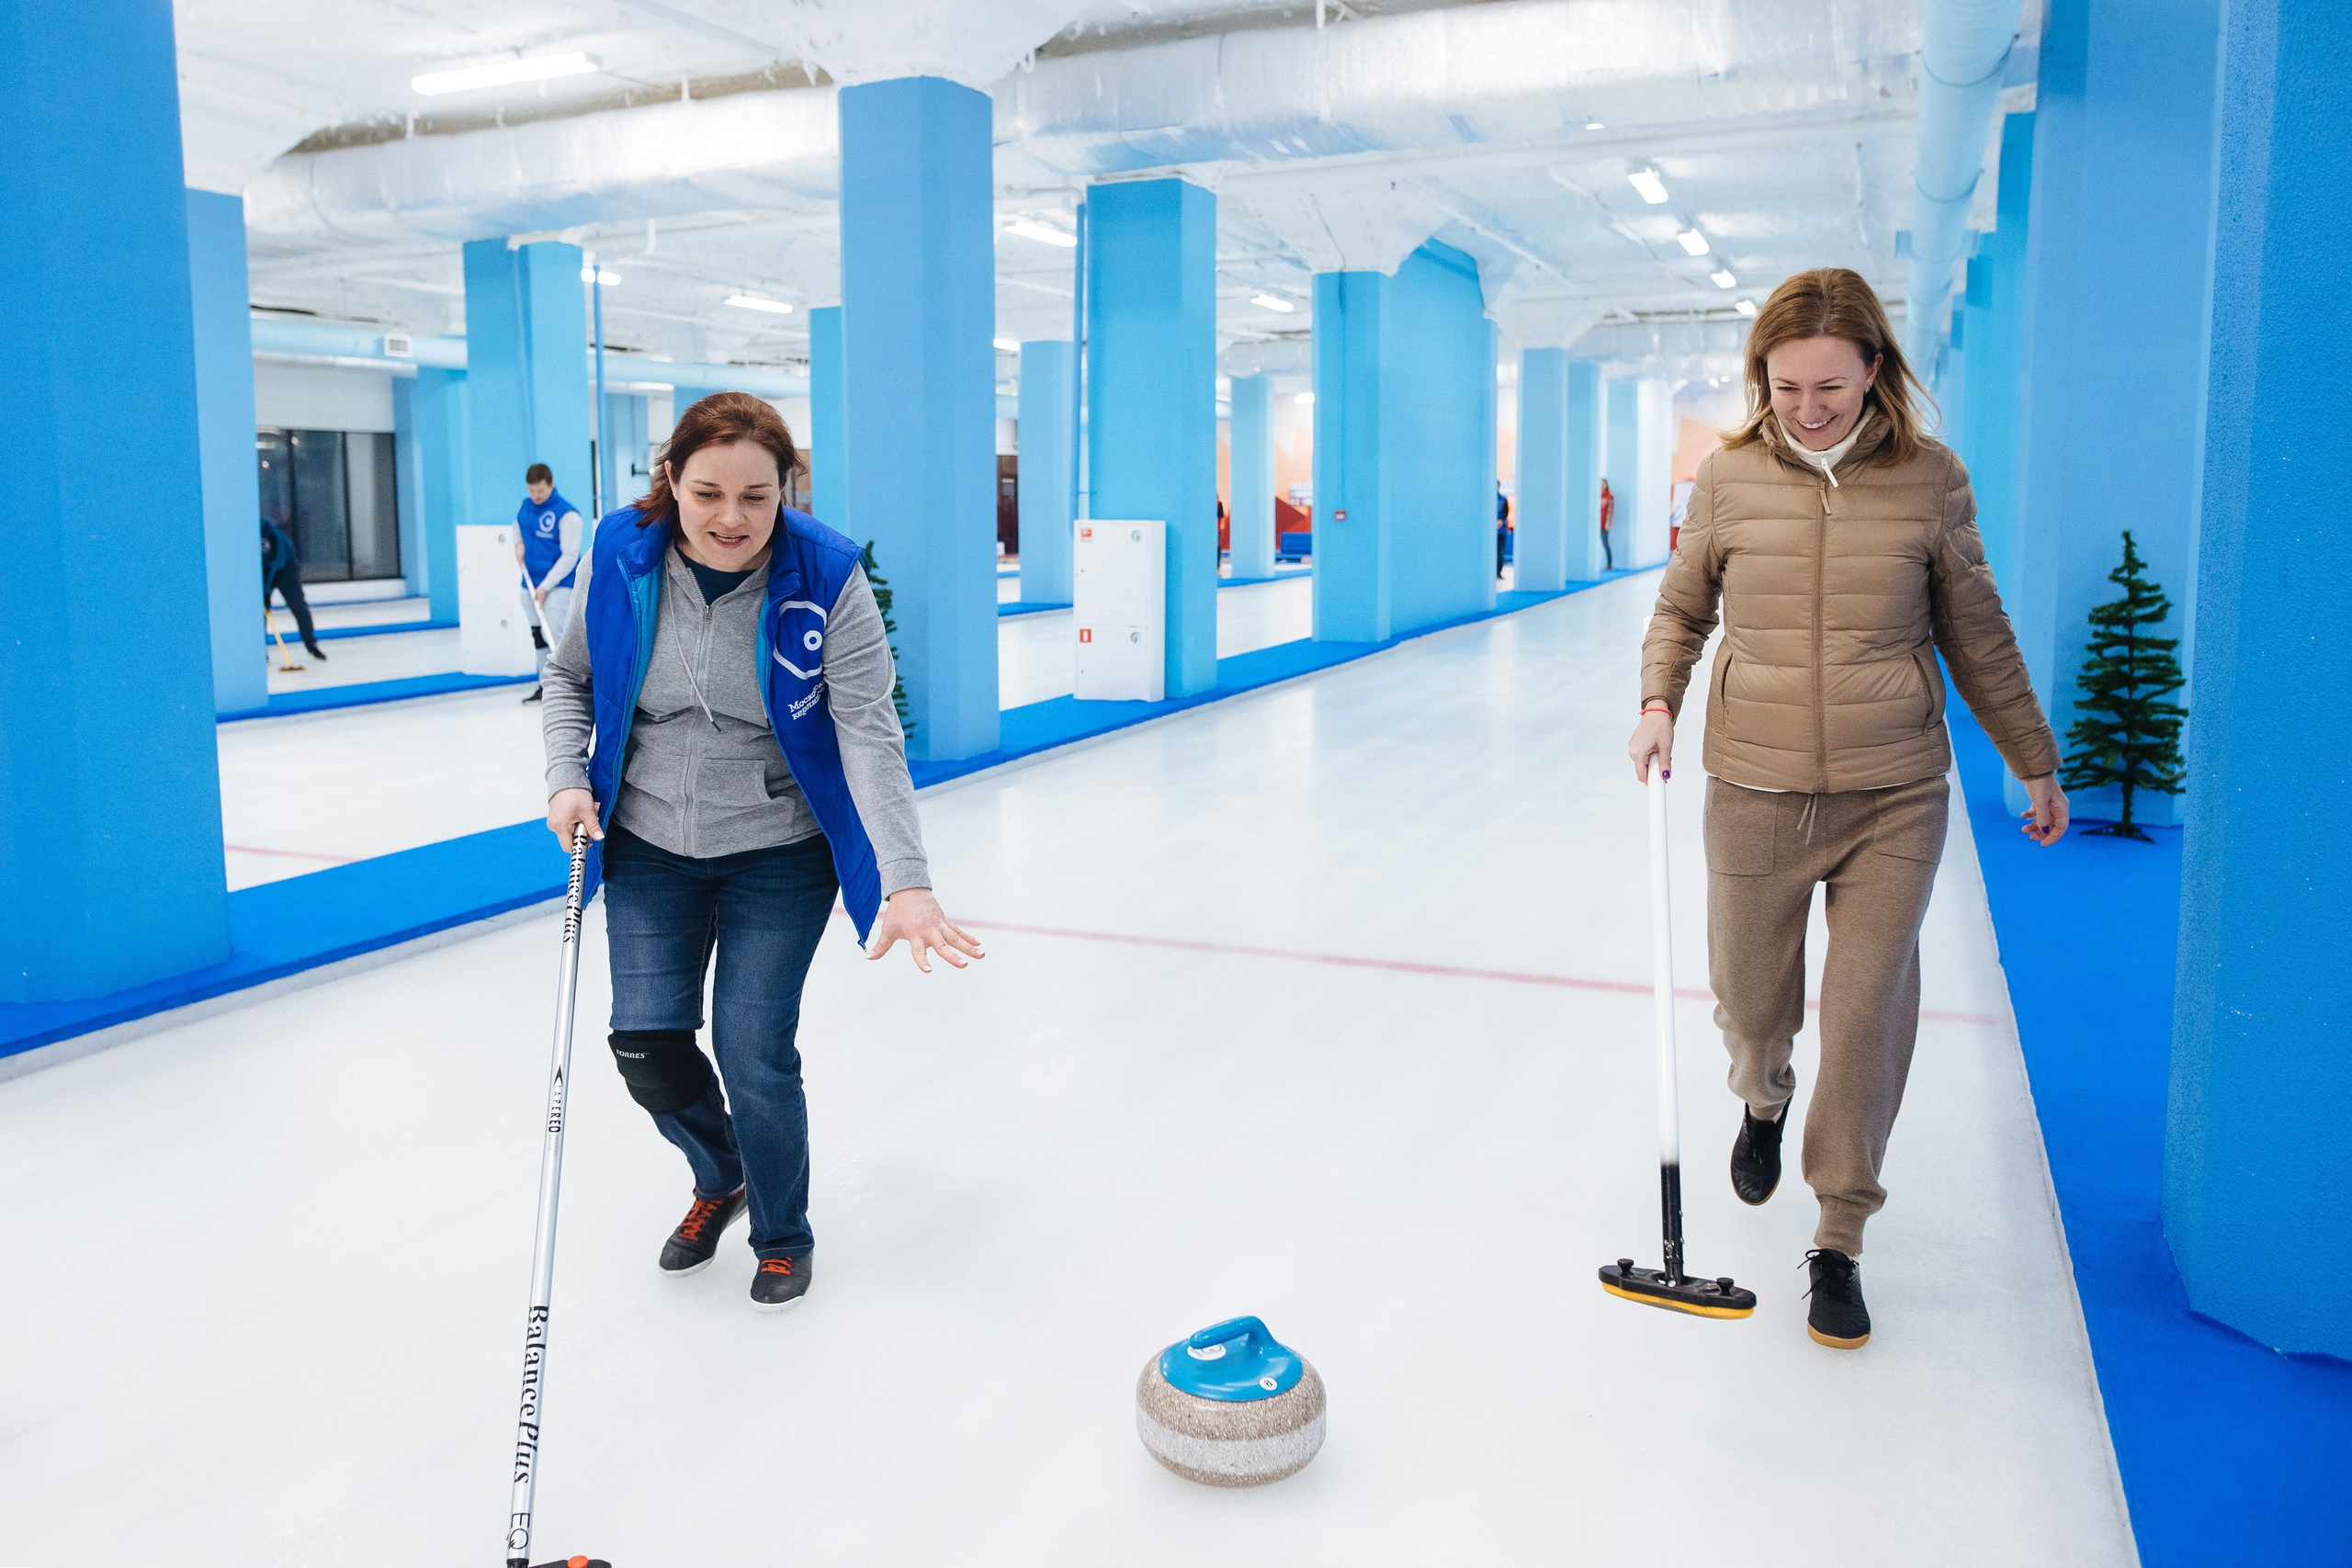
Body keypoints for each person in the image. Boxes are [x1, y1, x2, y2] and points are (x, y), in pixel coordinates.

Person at [1627, 267, 2067, 1351]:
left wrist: (2033, 757)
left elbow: (1977, 629)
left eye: (1831, 383)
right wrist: (1655, 702)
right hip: (1754, 785)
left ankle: (1837, 1237)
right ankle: (1763, 1096)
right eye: (1786, 387)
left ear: (1875, 369)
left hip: (1893, 792)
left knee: (1867, 1012)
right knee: (1750, 1002)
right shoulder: (1727, 480)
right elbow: (1683, 605)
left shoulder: (1929, 479)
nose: (1809, 406)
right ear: (1760, 380)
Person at [540, 391, 982, 1311]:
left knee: (752, 1050)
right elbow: (569, 676)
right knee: (646, 1047)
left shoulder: (825, 575)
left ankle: (782, 1234)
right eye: (707, 493)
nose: (731, 518)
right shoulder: (623, 553)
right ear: (671, 479)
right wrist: (564, 777)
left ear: (788, 488)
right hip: (649, 839)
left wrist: (906, 880)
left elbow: (867, 731)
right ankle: (720, 1173)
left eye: (757, 495)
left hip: (777, 851)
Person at [515, 463, 585, 703]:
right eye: (531, 491)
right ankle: (544, 685)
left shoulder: (568, 515)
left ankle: (566, 689)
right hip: (529, 583)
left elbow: (570, 556)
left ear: (551, 484)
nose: (535, 497)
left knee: (556, 636)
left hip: (558, 585)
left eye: (540, 492)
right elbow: (518, 526)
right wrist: (518, 544)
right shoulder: (526, 506)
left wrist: (546, 586)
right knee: (538, 635)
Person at [260, 516, 325, 661]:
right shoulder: (244, 536)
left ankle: (311, 644)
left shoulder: (273, 537)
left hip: (286, 569)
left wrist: (266, 590)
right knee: (260, 612)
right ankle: (259, 651)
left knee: (298, 606)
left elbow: (278, 563)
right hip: (265, 571)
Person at [1598, 478, 1615, 570]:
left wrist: (1608, 524)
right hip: (1598, 523)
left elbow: (1610, 511)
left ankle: (1609, 564)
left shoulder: (1609, 496)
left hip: (1604, 524)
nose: (1601, 486)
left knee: (1605, 543)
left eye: (1603, 484)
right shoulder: (1597, 496)